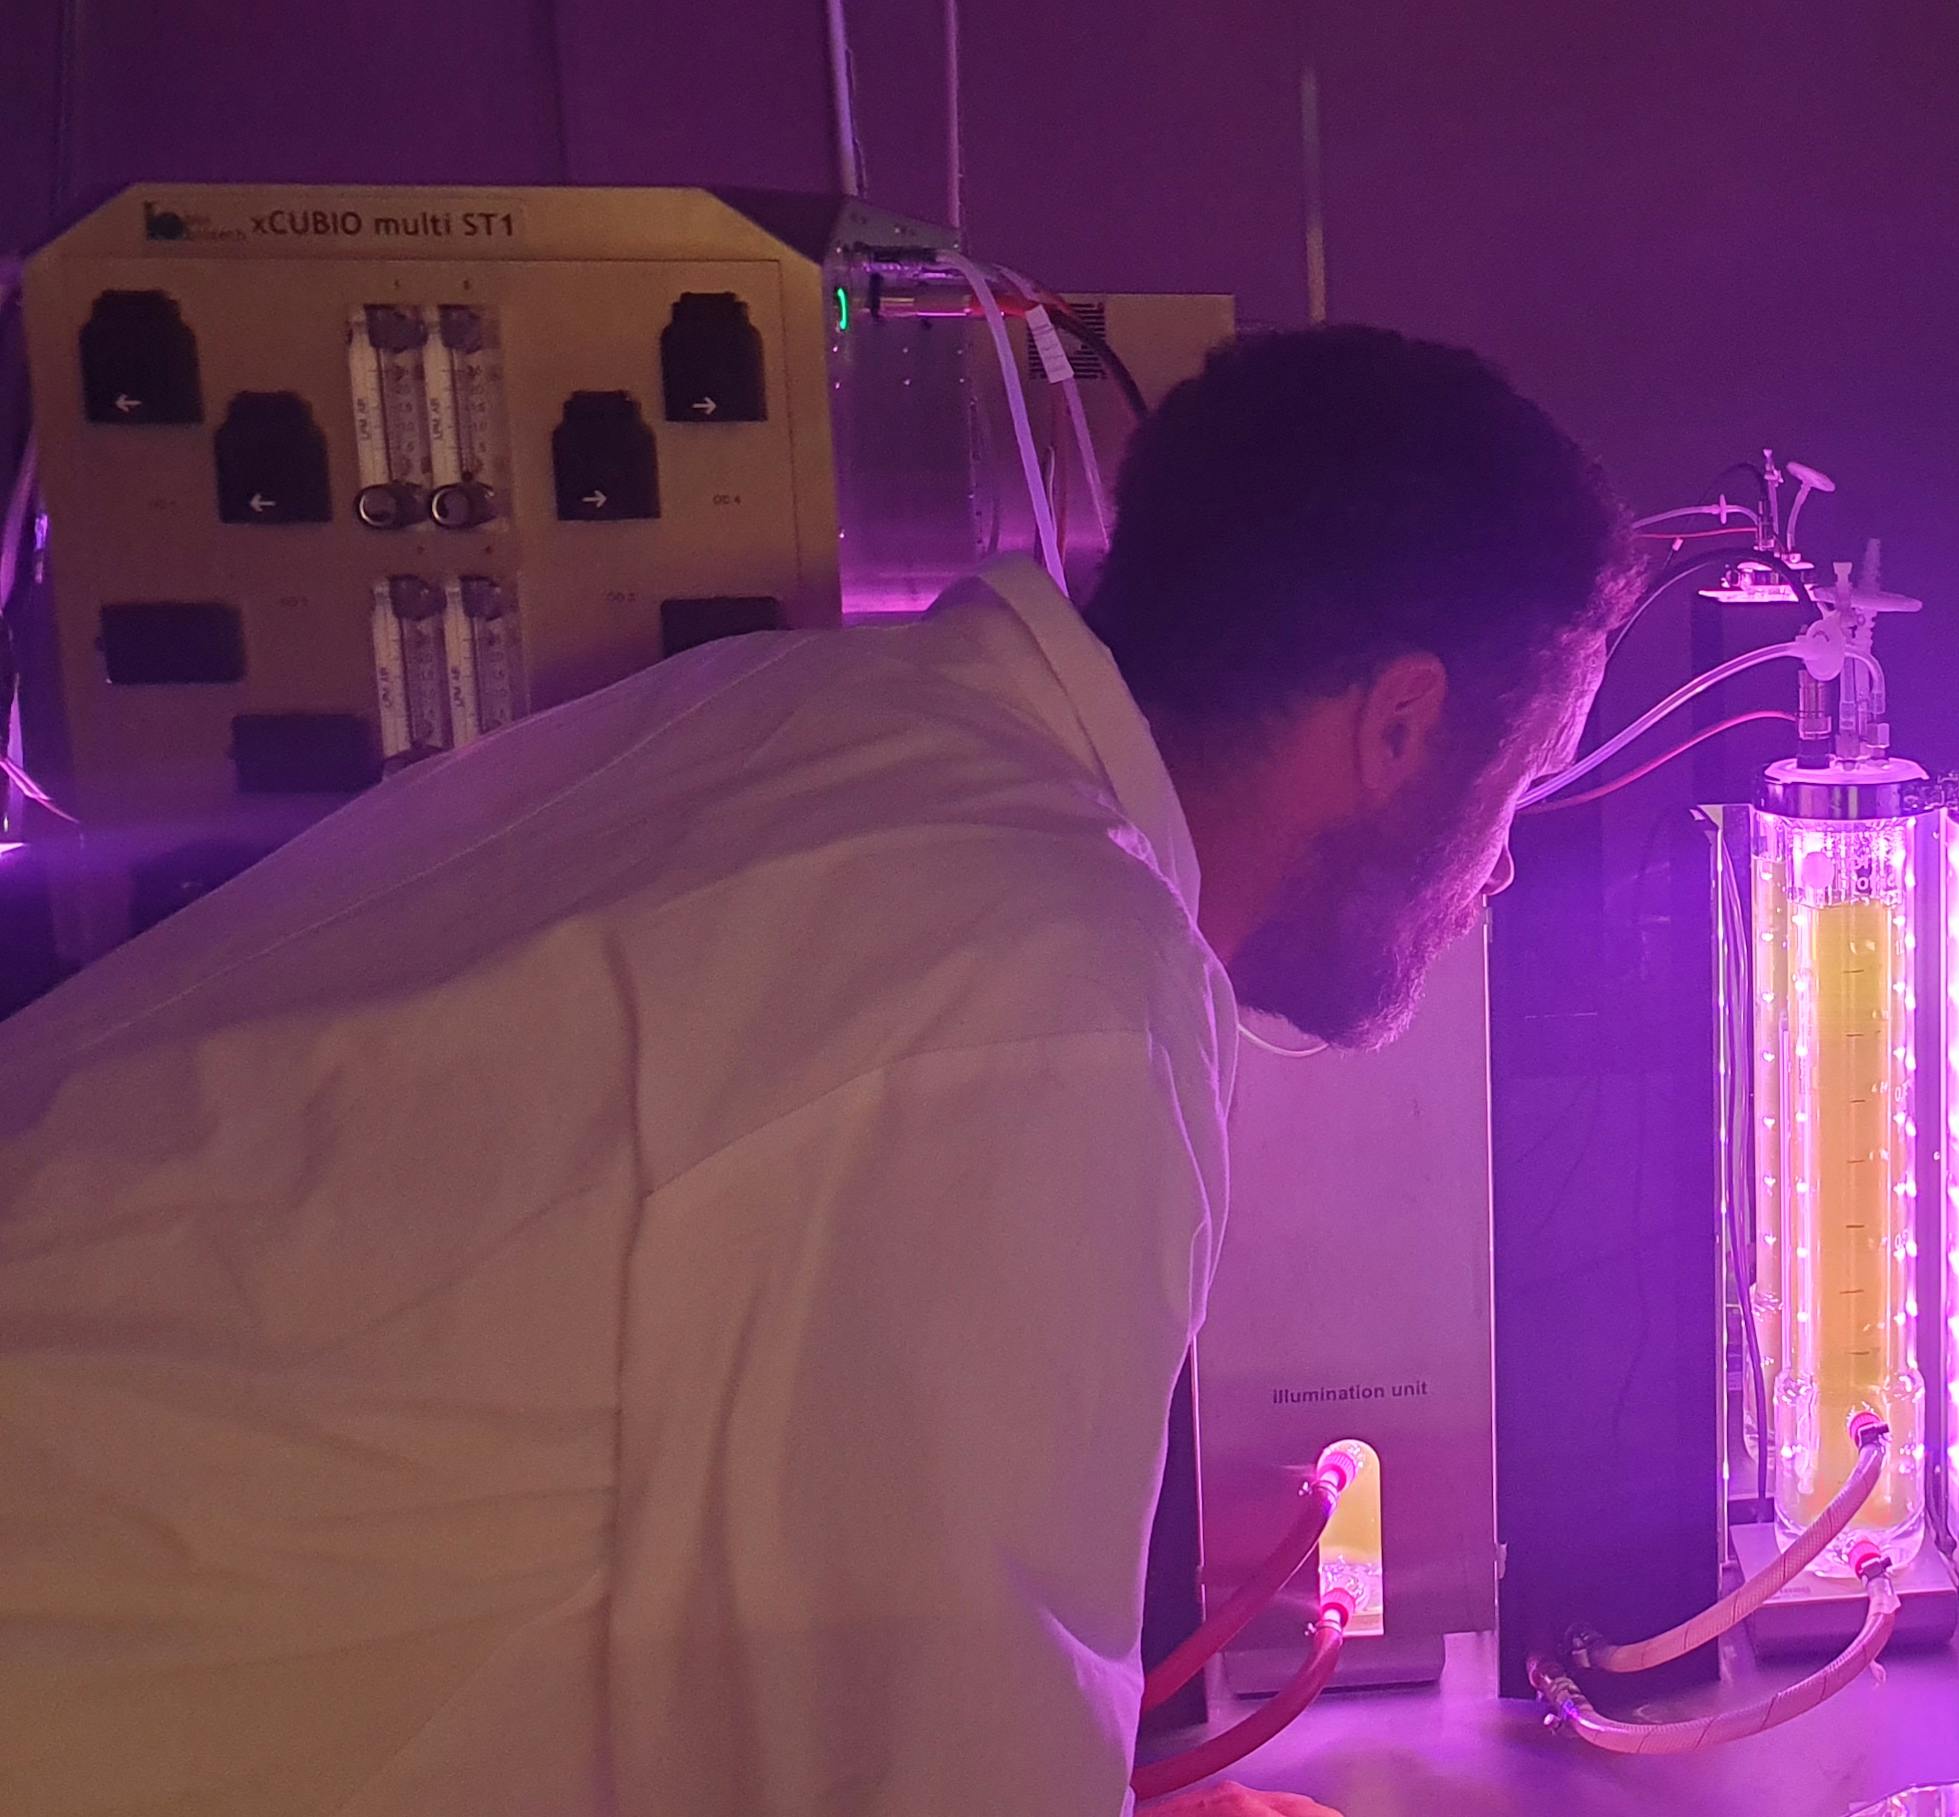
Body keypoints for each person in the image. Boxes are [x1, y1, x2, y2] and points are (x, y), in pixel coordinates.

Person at [0, 326, 1630, 1816]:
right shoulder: (1048, 984)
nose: (1495, 872)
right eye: (1525, 781)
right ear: (1403, 726)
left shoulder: (832, 725)